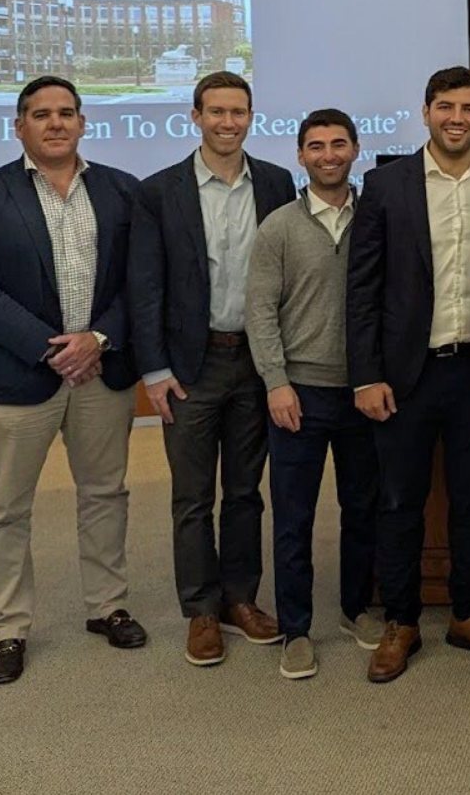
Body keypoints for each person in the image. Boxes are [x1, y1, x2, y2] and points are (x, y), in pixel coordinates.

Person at [0, 76, 147, 684]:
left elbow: (142, 283)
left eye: (66, 113)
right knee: (5, 509)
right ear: (19, 126)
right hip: (14, 376)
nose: (55, 123)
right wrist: (51, 348)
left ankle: (106, 606)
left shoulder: (122, 191)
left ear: (83, 123)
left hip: (101, 372)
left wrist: (98, 340)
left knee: (105, 494)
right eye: (40, 114)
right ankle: (8, 628)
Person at [346, 67, 470, 683]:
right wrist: (365, 375)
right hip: (404, 373)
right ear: (424, 112)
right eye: (445, 106)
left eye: (469, 108)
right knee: (399, 501)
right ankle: (401, 620)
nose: (457, 118)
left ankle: (468, 612)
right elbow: (362, 289)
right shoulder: (385, 185)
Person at [130, 71, 294, 667]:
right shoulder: (159, 191)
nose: (228, 122)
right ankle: (201, 609)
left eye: (239, 112)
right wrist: (153, 369)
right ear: (194, 117)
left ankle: (240, 599)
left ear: (251, 117)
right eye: (216, 112)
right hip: (189, 368)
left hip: (255, 361)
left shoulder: (276, 184)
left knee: (247, 492)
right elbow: (145, 288)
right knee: (192, 497)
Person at [244, 109, 379, 681]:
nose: (328, 154)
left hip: (365, 395)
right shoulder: (278, 226)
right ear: (300, 155)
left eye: (339, 144)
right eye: (316, 146)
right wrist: (276, 382)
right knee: (294, 517)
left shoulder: (376, 219)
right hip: (297, 394)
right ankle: (297, 629)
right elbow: (259, 311)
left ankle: (355, 609)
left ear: (355, 151)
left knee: (363, 510)